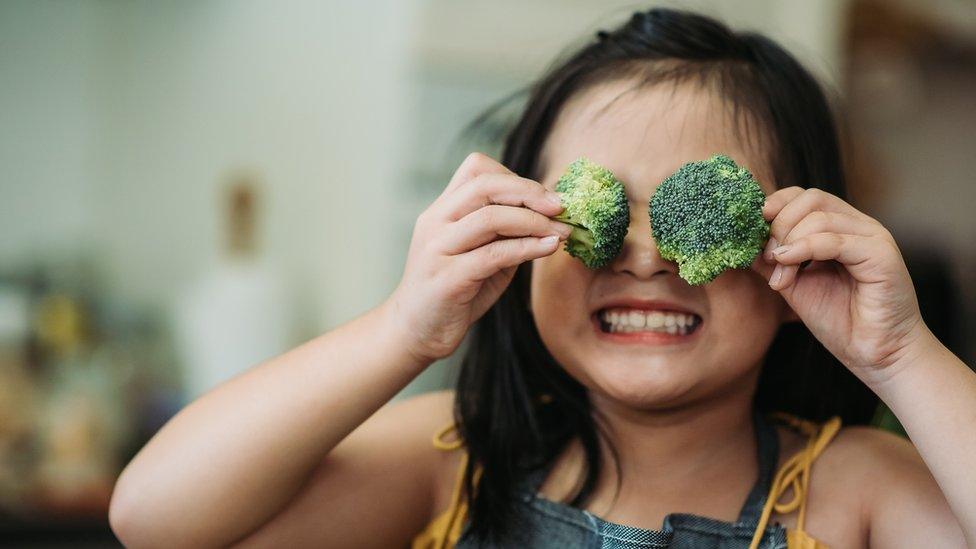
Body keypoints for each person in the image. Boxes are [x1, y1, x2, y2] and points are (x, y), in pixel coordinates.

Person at [109, 8, 973, 548]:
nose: (645, 255)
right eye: (592, 214)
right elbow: (151, 516)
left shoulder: (856, 488)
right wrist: (403, 329)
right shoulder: (452, 459)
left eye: (692, 211)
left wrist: (900, 353)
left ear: (796, 258)